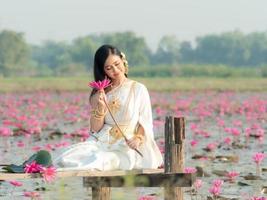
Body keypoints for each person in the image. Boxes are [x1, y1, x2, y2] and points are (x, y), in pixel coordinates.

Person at [53, 44, 163, 171]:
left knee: (102, 160)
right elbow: (95, 129)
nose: (115, 70)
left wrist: (137, 139)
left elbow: (145, 122)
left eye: (117, 64)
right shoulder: (100, 93)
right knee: (71, 155)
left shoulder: (138, 89)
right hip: (101, 142)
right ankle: (41, 166)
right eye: (109, 68)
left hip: (126, 147)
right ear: (103, 70)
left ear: (123, 60)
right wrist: (100, 107)